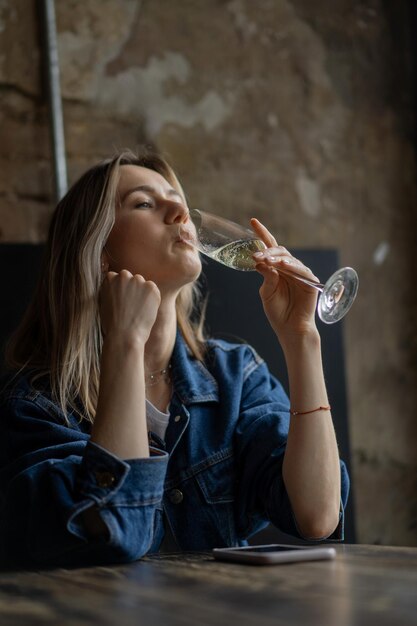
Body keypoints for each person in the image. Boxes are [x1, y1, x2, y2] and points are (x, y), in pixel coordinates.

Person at [0, 149, 349, 568]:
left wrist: (302, 337)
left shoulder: (235, 376)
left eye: (175, 197)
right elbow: (115, 533)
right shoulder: (37, 406)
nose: (179, 210)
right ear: (98, 252)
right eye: (144, 203)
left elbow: (317, 516)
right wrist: (125, 341)